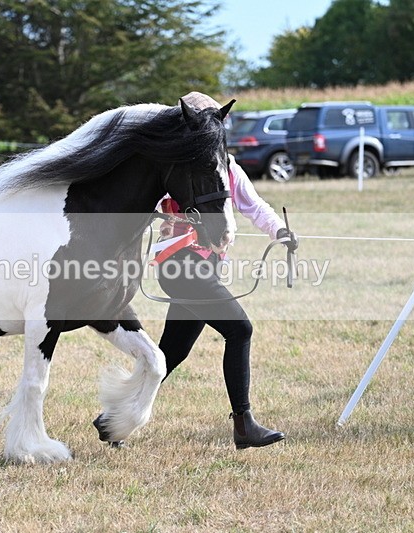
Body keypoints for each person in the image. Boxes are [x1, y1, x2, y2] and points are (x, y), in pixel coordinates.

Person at [154, 92, 298, 449]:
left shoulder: (226, 166)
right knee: (240, 330)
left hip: (208, 265)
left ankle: (113, 416)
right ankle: (244, 425)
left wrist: (279, 230)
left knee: (171, 353)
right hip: (180, 263)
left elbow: (253, 204)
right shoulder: (171, 167)